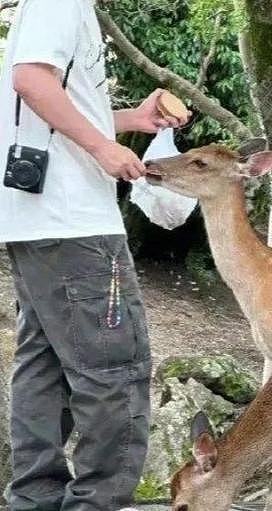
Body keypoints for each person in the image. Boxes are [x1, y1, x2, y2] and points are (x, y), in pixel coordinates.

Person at [0, 0, 189, 509]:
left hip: (38, 222)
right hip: (75, 222)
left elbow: (44, 110)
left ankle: (34, 501)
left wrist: (131, 120)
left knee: (45, 369)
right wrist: (105, 150)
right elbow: (32, 83)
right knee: (114, 371)